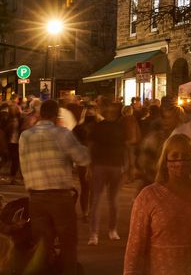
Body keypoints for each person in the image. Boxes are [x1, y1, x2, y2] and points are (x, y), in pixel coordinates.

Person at [123, 133, 191, 275]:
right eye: (175, 156)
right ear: (165, 160)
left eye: (185, 156)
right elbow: (135, 247)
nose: (180, 161)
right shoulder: (148, 197)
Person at [19, 99, 91, 275]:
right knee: (68, 243)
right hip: (59, 197)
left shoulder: (25, 136)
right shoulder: (62, 134)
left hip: (35, 197)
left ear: (41, 114)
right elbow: (83, 158)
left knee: (42, 245)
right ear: (55, 115)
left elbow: (23, 164)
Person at [87, 100, 126, 245]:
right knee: (100, 200)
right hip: (102, 165)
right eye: (108, 109)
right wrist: (89, 166)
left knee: (111, 200)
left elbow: (126, 147)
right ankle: (97, 233)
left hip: (112, 165)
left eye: (112, 109)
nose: (110, 112)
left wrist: (127, 165)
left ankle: (108, 230)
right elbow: (91, 146)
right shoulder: (101, 127)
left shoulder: (117, 127)